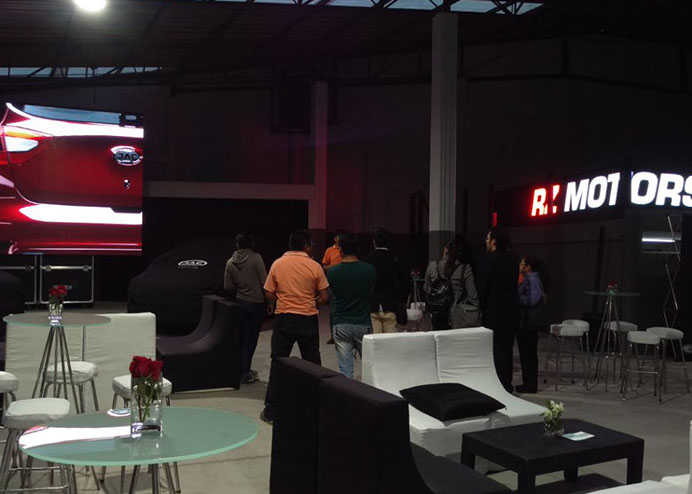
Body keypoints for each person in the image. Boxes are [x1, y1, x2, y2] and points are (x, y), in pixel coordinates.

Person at [260, 230, 329, 424]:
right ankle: (315, 408)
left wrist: (277, 301)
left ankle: (271, 410)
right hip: (307, 319)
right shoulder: (314, 266)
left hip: (284, 319)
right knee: (313, 364)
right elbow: (324, 297)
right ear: (307, 246)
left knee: (278, 362)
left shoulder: (278, 264)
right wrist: (312, 302)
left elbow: (268, 292)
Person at [476, 226, 520, 393]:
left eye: (488, 238)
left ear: (494, 241)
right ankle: (506, 384)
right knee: (507, 350)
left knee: (495, 351)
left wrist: (481, 306)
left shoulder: (487, 260)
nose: (486, 241)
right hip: (511, 311)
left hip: (493, 312)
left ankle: (497, 386)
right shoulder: (513, 259)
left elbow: (483, 288)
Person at [327, 232, 376, 377]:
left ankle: (347, 391)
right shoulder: (369, 269)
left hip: (341, 323)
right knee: (369, 367)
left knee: (345, 369)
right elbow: (371, 292)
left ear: (341, 250)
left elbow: (331, 294)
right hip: (363, 322)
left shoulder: (333, 271)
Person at [224, 232, 267, 385]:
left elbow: (227, 286)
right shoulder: (256, 258)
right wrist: (270, 302)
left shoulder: (230, 262)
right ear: (252, 244)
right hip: (256, 303)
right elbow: (264, 282)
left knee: (243, 337)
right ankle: (245, 371)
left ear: (237, 245)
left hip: (240, 302)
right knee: (252, 339)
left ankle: (243, 369)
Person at [424, 239, 480, 330]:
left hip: (436, 313)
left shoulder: (432, 265)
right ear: (459, 253)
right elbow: (472, 295)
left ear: (445, 250)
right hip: (456, 315)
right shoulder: (465, 269)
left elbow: (426, 288)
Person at [363, 227, 408, 333]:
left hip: (373, 306)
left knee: (375, 340)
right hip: (391, 305)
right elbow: (405, 282)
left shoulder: (367, 260)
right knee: (390, 341)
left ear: (374, 242)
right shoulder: (395, 259)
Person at [516, 255, 546, 394]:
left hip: (528, 322)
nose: (519, 265)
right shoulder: (529, 278)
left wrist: (517, 298)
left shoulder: (532, 279)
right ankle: (528, 383)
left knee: (528, 354)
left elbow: (533, 300)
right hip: (527, 322)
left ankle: (530, 384)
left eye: (522, 264)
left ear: (528, 267)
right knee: (527, 354)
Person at [322, 229, 345, 345]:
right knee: (333, 310)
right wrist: (333, 267)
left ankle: (343, 334)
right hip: (332, 284)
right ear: (335, 238)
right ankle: (333, 335)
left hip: (345, 283)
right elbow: (324, 266)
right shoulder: (329, 250)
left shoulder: (346, 250)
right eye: (339, 237)